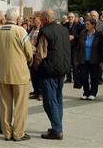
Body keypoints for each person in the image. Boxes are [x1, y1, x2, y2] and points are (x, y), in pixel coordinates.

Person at [0, 8, 33, 142]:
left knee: (5, 104)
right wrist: (29, 61)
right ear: (17, 18)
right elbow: (29, 52)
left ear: (6, 17)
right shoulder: (20, 31)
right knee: (20, 105)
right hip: (19, 73)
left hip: (3, 72)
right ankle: (18, 133)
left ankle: (7, 133)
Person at [35, 10, 70, 140]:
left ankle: (57, 130)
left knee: (49, 101)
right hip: (62, 69)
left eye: (41, 18)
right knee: (57, 99)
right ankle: (57, 126)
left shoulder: (45, 32)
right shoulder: (64, 30)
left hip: (49, 70)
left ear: (45, 19)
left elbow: (41, 54)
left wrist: (36, 66)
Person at [76, 18, 103, 100]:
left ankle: (93, 93)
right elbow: (79, 47)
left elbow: (101, 48)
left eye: (88, 24)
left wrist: (102, 61)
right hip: (84, 59)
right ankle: (86, 93)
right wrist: (77, 59)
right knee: (84, 77)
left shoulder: (99, 34)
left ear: (93, 25)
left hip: (95, 59)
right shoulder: (83, 33)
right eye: (86, 24)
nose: (86, 25)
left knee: (94, 77)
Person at [63, 12, 80, 86]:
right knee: (68, 63)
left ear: (74, 18)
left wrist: (74, 37)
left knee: (75, 63)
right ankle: (68, 78)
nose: (70, 19)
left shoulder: (78, 25)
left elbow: (81, 35)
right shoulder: (64, 25)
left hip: (75, 47)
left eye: (72, 17)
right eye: (69, 17)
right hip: (67, 47)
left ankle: (76, 79)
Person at [29, 12, 43, 101]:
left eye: (34, 18)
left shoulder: (43, 28)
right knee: (33, 74)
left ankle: (42, 93)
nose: (32, 20)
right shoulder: (33, 28)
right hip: (32, 54)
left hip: (39, 54)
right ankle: (36, 91)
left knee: (40, 74)